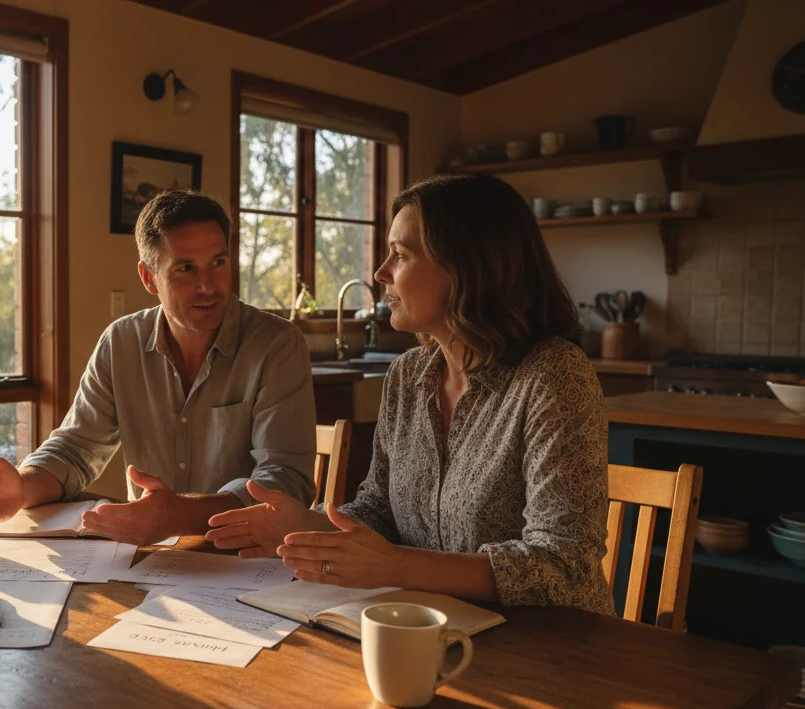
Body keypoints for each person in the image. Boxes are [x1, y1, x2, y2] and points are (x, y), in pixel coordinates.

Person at [207, 173, 614, 614]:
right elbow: (379, 510)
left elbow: (564, 565)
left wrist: (397, 566)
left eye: (399, 255)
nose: (380, 273)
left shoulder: (553, 376)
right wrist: (306, 525)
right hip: (429, 628)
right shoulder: (407, 375)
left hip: (551, 651)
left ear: (467, 267)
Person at [0, 190, 317, 545]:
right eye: (186, 268)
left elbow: (286, 480)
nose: (208, 285)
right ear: (148, 278)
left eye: (218, 263)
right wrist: (23, 487)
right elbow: (75, 449)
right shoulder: (121, 342)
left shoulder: (277, 344)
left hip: (248, 562)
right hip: (149, 560)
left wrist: (179, 515)